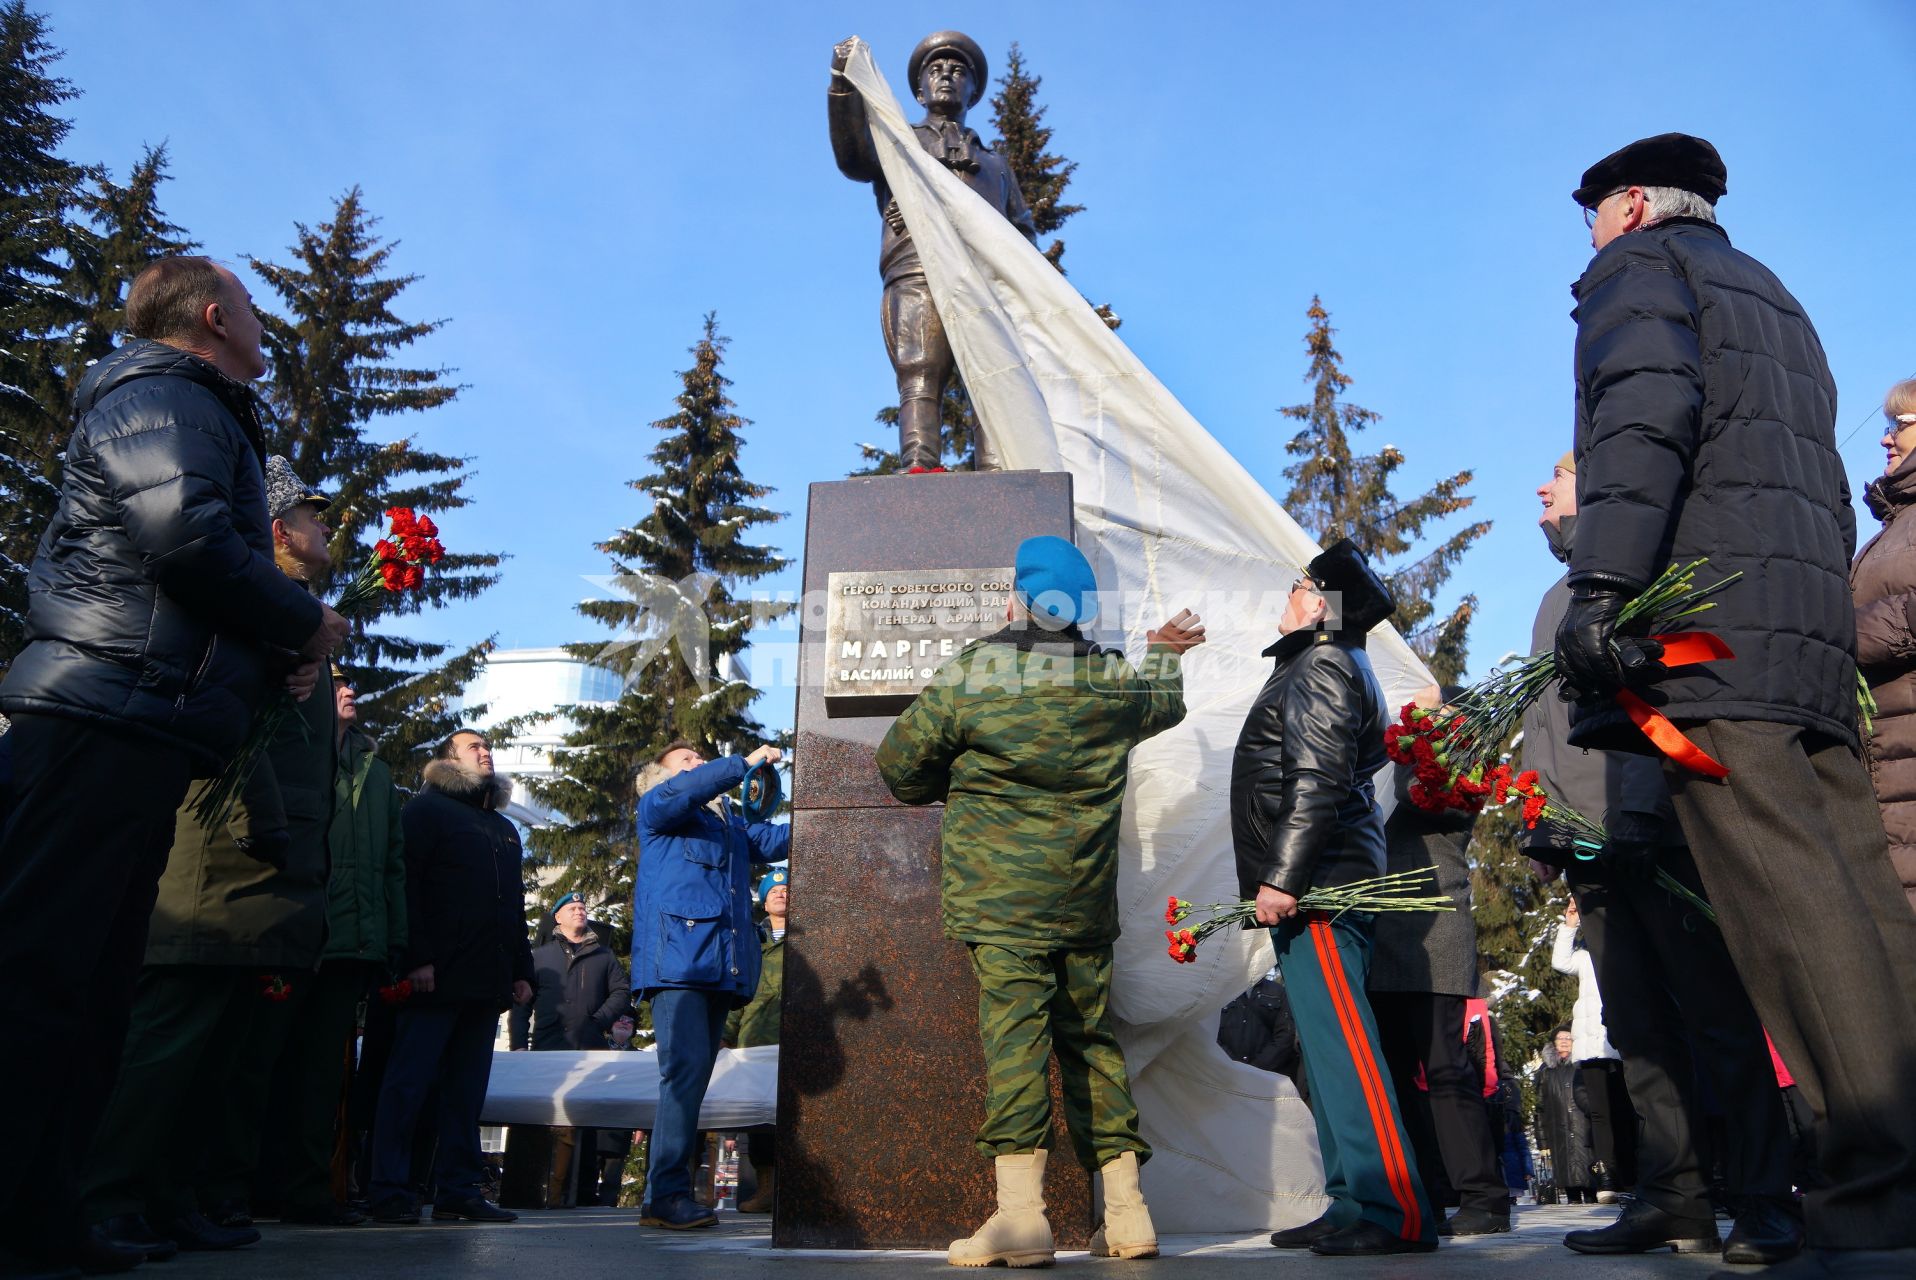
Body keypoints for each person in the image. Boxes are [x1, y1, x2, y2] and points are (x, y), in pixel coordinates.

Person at [1557, 134, 1916, 1272]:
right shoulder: (1775, 293)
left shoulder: (1638, 272)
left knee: (1783, 908)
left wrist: (1603, 583)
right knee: (1860, 900)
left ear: (1624, 208)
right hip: (1803, 646)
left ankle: (1868, 1193)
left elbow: (1640, 419)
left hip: (1713, 649)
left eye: (1588, 222)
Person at [0, 256, 348, 1277]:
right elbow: (183, 533)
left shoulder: (194, 405)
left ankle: (43, 1212)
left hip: (143, 722)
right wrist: (303, 620)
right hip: (98, 715)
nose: (260, 321)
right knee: (39, 974)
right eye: (247, 305)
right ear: (211, 313)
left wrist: (275, 653)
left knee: (91, 987)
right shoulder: (167, 395)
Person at [877, 534, 1203, 1267]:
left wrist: (956, 783)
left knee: (1016, 1046)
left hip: (1000, 904)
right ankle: (1126, 1214)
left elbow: (899, 768)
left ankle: (1022, 1218)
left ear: (1018, 600)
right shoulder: (1114, 684)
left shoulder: (975, 674)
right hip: (1082, 902)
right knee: (1089, 1041)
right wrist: (1165, 651)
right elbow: (1165, 702)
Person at [1532, 449, 1804, 1261]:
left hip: (1655, 827)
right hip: (1586, 838)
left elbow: (1673, 696)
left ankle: (1764, 1198)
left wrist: (1648, 810)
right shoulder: (1560, 595)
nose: (1542, 488)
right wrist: (1546, 827)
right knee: (1637, 1027)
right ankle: (1674, 1197)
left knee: (1716, 1017)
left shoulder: (1643, 572)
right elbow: (1550, 724)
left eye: (1560, 474)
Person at [76, 456, 341, 1257]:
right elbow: (221, 719)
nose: (325, 529)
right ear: (276, 529)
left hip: (267, 869)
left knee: (217, 1056)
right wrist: (264, 823)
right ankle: (104, 1196)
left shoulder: (292, 614)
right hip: (222, 862)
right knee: (168, 1043)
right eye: (313, 517)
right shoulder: (239, 603)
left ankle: (169, 1195)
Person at [1233, 540, 1437, 1258]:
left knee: (1345, 1047)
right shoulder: (1329, 662)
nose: (1285, 599)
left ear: (1319, 603)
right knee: (1323, 1051)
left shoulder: (1320, 663)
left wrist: (1284, 876)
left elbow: (1315, 782)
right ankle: (1353, 1199)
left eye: (1295, 588)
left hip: (1321, 883)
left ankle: (1394, 1209)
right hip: (1320, 879)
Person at [828, 30, 1038, 472]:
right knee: (920, 371)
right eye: (935, 70)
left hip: (986, 281)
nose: (947, 76)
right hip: (916, 269)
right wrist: (843, 85)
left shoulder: (996, 165)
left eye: (958, 71)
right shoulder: (897, 141)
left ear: (974, 90)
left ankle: (1000, 475)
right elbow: (853, 157)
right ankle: (920, 464)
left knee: (995, 381)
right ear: (919, 89)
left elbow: (1023, 234)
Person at [368, 730, 534, 1226]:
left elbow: (514, 904)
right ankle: (390, 1189)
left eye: (488, 747)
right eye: (473, 747)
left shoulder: (504, 828)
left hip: (486, 982)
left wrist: (522, 971)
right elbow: (404, 885)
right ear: (448, 760)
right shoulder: (425, 812)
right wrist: (415, 957)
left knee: (467, 1091)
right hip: (433, 977)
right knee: (409, 1085)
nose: (486, 752)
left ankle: (458, 1189)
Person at [631, 739, 791, 1230]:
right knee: (681, 1080)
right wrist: (740, 763)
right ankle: (667, 1195)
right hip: (678, 965)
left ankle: (663, 1197)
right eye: (687, 760)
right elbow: (691, 789)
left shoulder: (726, 823)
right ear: (662, 776)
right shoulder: (659, 806)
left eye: (701, 758)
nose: (699, 763)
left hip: (720, 967)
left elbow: (779, 841)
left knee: (692, 1082)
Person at [1368, 685, 1511, 1236]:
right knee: (1397, 1074)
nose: (1416, 708)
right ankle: (1420, 1192)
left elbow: (1413, 793)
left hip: (1434, 928)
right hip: (1388, 931)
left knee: (1446, 1067)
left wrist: (1424, 724)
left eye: (1431, 705)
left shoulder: (1459, 767)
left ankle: (1484, 1196)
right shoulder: (1413, 757)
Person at [267, 667, 407, 1226]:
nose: (349, 691)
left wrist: (393, 939)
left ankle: (307, 1190)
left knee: (324, 1075)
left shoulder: (377, 774)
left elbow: (392, 865)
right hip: (286, 936)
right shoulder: (284, 743)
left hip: (350, 944)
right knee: (260, 1063)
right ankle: (230, 1189)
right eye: (336, 683)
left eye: (352, 684)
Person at [1851, 377, 1916, 912]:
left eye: (1900, 424)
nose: (1886, 438)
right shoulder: (1895, 526)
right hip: (1889, 757)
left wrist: (1836, 635)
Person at [1547, 901, 1633, 1203]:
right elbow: (1560, 962)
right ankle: (1607, 1173)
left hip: (1622, 1041)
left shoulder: (1626, 949)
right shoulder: (1585, 956)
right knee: (1600, 1112)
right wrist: (1570, 925)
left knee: (1628, 1108)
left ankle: (1632, 1172)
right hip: (1592, 1043)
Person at [725, 867, 788, 1214]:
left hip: (796, 1040)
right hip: (755, 1039)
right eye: (773, 891)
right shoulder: (750, 941)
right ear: (764, 902)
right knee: (760, 1120)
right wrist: (724, 1035)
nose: (781, 893)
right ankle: (765, 1189)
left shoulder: (810, 939)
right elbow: (737, 991)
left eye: (787, 889)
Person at [509, 893, 630, 1053]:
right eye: (572, 909)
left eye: (582, 908)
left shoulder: (604, 956)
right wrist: (519, 1045)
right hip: (547, 1047)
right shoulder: (539, 956)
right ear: (558, 917)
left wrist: (598, 1021)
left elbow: (622, 991)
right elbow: (522, 1004)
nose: (579, 912)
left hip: (591, 1048)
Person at [1535, 1028, 1596, 1205]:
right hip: (1559, 1134)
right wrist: (1542, 1142)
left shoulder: (1582, 1066)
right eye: (1559, 1038)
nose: (1564, 1041)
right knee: (1569, 1182)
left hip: (1584, 1130)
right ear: (1553, 1043)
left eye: (1568, 1038)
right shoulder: (1546, 1071)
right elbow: (1540, 1109)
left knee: (1589, 1178)